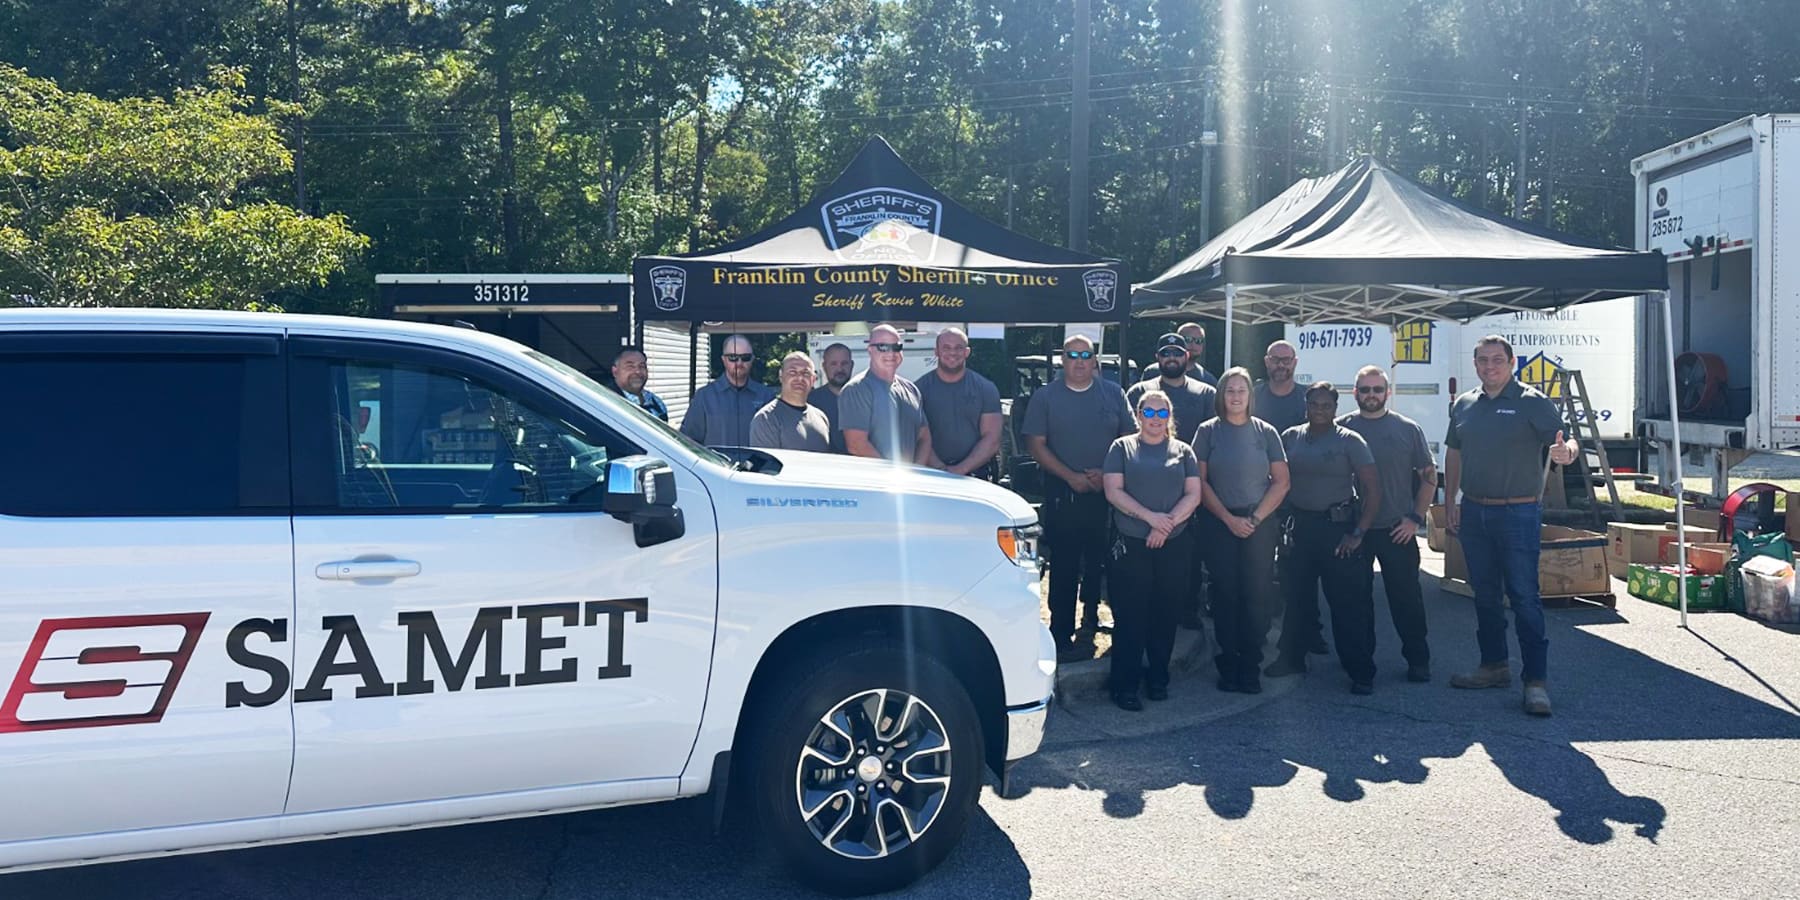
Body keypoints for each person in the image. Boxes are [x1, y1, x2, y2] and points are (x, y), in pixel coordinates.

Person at [1445, 335, 1578, 717]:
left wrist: (1565, 453)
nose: (1490, 367)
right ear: (1475, 364)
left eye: (1497, 360)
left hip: (1517, 513)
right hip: (1474, 510)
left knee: (1524, 598)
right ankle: (1493, 666)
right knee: (1484, 595)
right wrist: (1451, 500)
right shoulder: (1466, 404)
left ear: (1512, 361)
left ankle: (1535, 682)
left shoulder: (1532, 402)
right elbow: (1454, 452)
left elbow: (1565, 442)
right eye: (1483, 360)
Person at [1263, 383, 1383, 694]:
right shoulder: (1290, 437)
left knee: (1347, 604)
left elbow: (1372, 491)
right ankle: (1291, 658)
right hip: (1299, 528)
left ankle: (1360, 670)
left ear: (1335, 407)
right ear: (1306, 405)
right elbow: (1275, 479)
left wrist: (1359, 533)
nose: (1319, 410)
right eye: (1314, 404)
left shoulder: (1350, 441)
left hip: (1338, 529)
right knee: (1297, 599)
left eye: (1326, 405)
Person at [1024, 333, 1136, 662]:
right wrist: (1070, 476)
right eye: (1072, 355)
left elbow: (1129, 438)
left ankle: (1094, 618)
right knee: (1065, 565)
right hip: (1064, 491)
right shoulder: (1046, 397)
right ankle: (1061, 632)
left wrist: (1107, 473)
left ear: (1095, 360)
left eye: (1085, 355)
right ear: (1062, 360)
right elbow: (1035, 444)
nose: (1079, 362)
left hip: (1108, 490)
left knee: (1104, 560)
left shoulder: (1113, 393)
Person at [1101, 389, 1203, 711]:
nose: (1155, 420)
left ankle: (1158, 679)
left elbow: (1194, 495)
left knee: (1166, 613)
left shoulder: (1183, 451)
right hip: (1131, 543)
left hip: (1173, 544)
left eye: (1162, 414)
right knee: (1131, 616)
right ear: (1140, 415)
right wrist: (1150, 519)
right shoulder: (1122, 447)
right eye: (1150, 412)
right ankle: (1125, 686)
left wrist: (1166, 525)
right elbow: (1113, 491)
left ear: (1169, 417)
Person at [1192, 367, 1289, 693]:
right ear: (1221, 395)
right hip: (1219, 523)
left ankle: (1251, 664)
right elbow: (1199, 483)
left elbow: (1281, 482)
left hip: (1258, 524)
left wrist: (1256, 519)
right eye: (1229, 391)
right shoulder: (1208, 432)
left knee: (1256, 594)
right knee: (1225, 594)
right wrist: (1227, 518)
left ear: (1250, 396)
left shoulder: (1266, 432)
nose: (1235, 396)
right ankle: (1228, 664)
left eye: (1241, 391)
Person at [1339, 365, 1437, 683]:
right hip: (1355, 531)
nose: (1371, 395)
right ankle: (1360, 665)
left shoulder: (1407, 429)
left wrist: (1415, 518)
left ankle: (1418, 659)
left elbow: (1429, 478)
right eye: (1365, 390)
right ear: (1355, 393)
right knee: (1355, 600)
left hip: (1397, 530)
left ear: (1387, 392)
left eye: (1377, 389)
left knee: (1406, 599)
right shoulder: (1341, 429)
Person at [1127, 332, 1218, 632]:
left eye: (1177, 352)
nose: (1172, 358)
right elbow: (1128, 437)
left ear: (1187, 357)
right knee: (1143, 551)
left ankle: (1187, 608)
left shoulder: (1206, 393)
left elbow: (1211, 438)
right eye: (1165, 352)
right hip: (1147, 482)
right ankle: (1146, 607)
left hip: (1192, 481)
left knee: (1189, 553)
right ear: (1157, 357)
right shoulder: (1140, 391)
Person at [839, 324, 937, 464]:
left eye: (896, 347)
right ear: (870, 350)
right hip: (874, 483)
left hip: (907, 482)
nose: (891, 353)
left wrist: (916, 472)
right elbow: (856, 445)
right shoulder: (856, 389)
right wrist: (892, 476)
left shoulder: (912, 390)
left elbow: (924, 437)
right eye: (883, 347)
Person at [916, 327, 1003, 478]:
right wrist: (940, 468)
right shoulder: (918, 390)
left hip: (976, 474)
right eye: (946, 348)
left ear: (967, 352)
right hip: (930, 474)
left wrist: (960, 470)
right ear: (936, 351)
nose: (952, 353)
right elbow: (916, 435)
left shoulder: (986, 389)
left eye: (958, 348)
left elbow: (992, 438)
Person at [679, 334, 775, 447]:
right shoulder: (704, 397)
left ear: (752, 359)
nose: (739, 363)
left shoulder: (766, 396)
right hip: (716, 464)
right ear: (723, 359)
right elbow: (688, 441)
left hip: (757, 464)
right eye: (733, 357)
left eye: (745, 358)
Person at [750, 352, 832, 452]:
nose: (800, 378)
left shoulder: (821, 417)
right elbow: (767, 466)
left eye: (806, 373)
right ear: (781, 376)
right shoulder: (766, 419)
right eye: (792, 372)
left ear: (813, 379)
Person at [1138, 322, 1219, 386]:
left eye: (1199, 341)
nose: (1193, 344)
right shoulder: (1152, 372)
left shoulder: (1208, 380)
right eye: (1188, 339)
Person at [809, 342, 854, 453]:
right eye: (833, 364)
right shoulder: (811, 401)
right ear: (824, 366)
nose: (840, 369)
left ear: (851, 365)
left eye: (844, 363)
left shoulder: (866, 398)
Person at [1254, 340, 1307, 431]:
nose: (1280, 365)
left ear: (1295, 362)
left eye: (1286, 360)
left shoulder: (1308, 398)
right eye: (1275, 359)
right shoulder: (1252, 397)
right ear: (1267, 362)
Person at [608, 346, 668, 421]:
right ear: (615, 371)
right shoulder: (607, 402)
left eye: (642, 366)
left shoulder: (657, 403)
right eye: (630, 367)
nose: (637, 371)